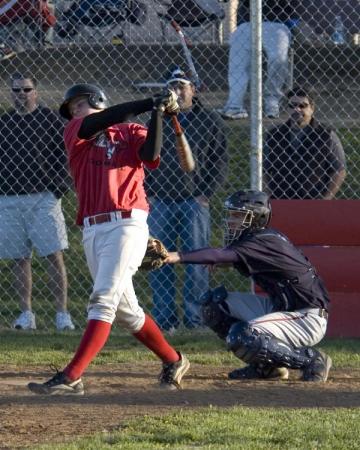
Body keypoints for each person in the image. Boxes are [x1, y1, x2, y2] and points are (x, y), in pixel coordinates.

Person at [27, 83, 190, 395]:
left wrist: (157, 112)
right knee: (128, 312)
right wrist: (150, 101)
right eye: (71, 108)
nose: (74, 111)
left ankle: (72, 375)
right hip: (92, 229)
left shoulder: (130, 130)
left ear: (97, 100)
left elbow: (151, 155)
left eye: (78, 104)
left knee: (103, 299)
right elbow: (101, 120)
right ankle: (173, 359)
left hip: (127, 223)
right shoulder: (77, 131)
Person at [164, 189, 332, 382]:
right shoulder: (258, 240)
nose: (231, 220)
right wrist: (226, 262)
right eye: (231, 215)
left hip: (305, 317)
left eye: (238, 215)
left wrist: (175, 256)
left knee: (245, 335)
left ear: (256, 218)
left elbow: (219, 254)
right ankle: (267, 368)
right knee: (214, 305)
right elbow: (233, 257)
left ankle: (311, 360)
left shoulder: (264, 239)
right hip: (284, 310)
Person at [146, 67, 228, 332]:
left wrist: (206, 193)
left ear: (193, 89)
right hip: (160, 202)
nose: (178, 92)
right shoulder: (157, 119)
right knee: (159, 260)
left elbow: (220, 161)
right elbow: (144, 156)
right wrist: (149, 191)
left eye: (182, 86)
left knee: (196, 264)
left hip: (194, 202)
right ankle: (165, 319)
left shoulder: (209, 121)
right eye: (172, 86)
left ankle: (196, 320)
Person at [0, 73, 74, 331]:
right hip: (8, 199)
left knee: (54, 255)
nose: (21, 94)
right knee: (19, 258)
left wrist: (58, 188)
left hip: (43, 197)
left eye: (26, 90)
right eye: (16, 90)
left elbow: (65, 155)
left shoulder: (51, 120)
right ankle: (26, 314)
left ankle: (62, 314)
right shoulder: (4, 123)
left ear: (36, 92)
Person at [219, 0, 300, 120]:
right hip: (248, 22)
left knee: (278, 58)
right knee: (237, 59)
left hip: (279, 22)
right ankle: (234, 106)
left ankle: (272, 101)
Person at [263, 87, 346, 199]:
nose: (297, 109)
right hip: (280, 200)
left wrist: (326, 199)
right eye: (292, 106)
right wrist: (268, 195)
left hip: (313, 201)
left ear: (312, 108)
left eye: (302, 106)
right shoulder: (274, 135)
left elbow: (339, 171)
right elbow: (264, 171)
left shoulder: (326, 135)